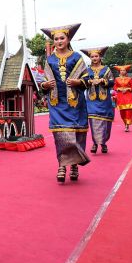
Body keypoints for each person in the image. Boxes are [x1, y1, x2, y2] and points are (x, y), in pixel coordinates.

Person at [37, 24, 90, 183]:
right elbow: (44, 81)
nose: (59, 41)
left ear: (68, 40)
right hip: (56, 103)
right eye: (56, 39)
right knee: (61, 135)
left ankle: (73, 165)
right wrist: (44, 86)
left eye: (62, 38)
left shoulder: (77, 57)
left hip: (76, 103)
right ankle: (62, 165)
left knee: (76, 134)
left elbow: (87, 79)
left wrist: (78, 81)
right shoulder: (50, 59)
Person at [81, 47, 114, 154]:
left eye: (96, 56)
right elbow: (83, 81)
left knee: (105, 122)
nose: (94, 58)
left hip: (105, 100)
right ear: (90, 58)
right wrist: (90, 81)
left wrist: (103, 81)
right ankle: (95, 143)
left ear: (100, 57)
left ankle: (104, 143)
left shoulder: (107, 69)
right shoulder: (87, 69)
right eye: (92, 56)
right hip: (91, 100)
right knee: (93, 121)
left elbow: (112, 82)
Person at [113, 65, 132, 132]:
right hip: (120, 96)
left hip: (128, 96)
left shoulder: (129, 79)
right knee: (122, 112)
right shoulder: (117, 79)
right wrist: (119, 88)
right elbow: (114, 87)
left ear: (126, 71)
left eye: (124, 70)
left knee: (128, 111)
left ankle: (127, 125)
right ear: (119, 71)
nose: (122, 71)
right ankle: (125, 123)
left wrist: (128, 89)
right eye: (121, 70)